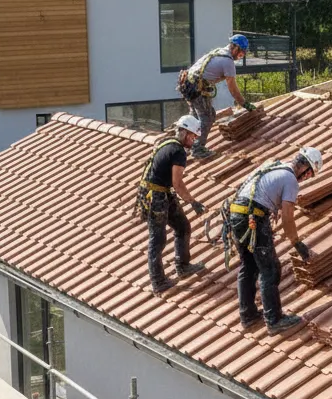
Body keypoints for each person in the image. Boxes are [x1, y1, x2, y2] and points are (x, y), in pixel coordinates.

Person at [228, 147, 320, 333]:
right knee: (270, 269)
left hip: (237, 215)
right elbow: (288, 216)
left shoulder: (275, 165)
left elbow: (260, 190)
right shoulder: (291, 179)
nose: (305, 179)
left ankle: (248, 315)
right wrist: (297, 244)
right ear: (306, 168)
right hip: (253, 219)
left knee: (249, 266)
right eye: (308, 175)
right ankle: (274, 320)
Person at [135, 115, 207, 294]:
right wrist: (193, 202)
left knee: (183, 227)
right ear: (183, 132)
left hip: (162, 193)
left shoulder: (167, 143)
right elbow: (178, 183)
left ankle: (183, 266)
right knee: (157, 239)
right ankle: (158, 281)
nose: (193, 140)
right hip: (156, 197)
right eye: (192, 136)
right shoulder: (178, 152)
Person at [177, 34, 254, 160]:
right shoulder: (228, 61)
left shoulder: (219, 51)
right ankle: (198, 149)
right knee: (207, 116)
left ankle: (185, 145)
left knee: (195, 117)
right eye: (240, 54)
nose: (239, 57)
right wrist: (244, 103)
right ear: (235, 48)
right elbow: (233, 88)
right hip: (196, 88)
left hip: (187, 83)